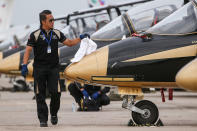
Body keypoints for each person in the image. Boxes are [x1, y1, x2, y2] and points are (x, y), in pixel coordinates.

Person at [21, 10, 89, 127]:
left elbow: (70, 43)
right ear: (43, 21)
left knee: (56, 93)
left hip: (53, 69)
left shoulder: (57, 33)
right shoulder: (35, 35)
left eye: (53, 20)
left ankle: (53, 113)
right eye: (50, 20)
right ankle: (43, 119)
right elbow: (28, 50)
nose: (53, 22)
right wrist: (24, 65)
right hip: (39, 69)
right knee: (40, 94)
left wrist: (81, 38)